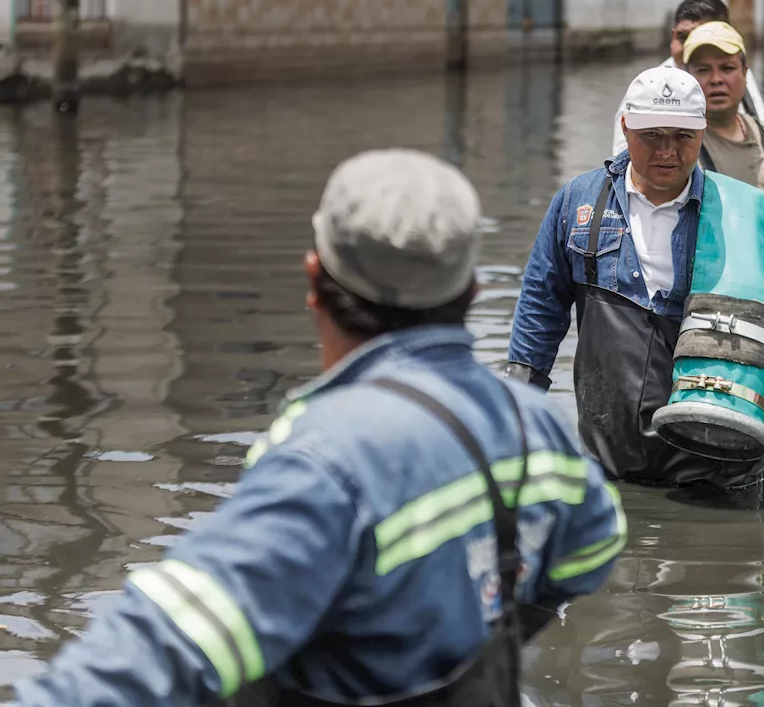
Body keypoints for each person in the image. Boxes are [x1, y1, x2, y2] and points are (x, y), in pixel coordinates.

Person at [15, 150, 626, 707]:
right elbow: (597, 541)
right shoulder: (532, 425)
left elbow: (164, 647)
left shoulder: (324, 460)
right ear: (471, 291)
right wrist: (490, 613)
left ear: (314, 282)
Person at [504, 67, 764, 490]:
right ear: (625, 127)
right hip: (610, 459)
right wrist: (517, 409)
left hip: (718, 460)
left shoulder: (740, 214)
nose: (667, 151)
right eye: (651, 135)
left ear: (702, 134)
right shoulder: (579, 203)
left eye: (683, 136)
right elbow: (540, 305)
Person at [611, 0, 764, 156]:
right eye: (683, 37)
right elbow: (622, 158)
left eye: (726, 68)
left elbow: (763, 136)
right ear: (673, 36)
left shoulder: (738, 76)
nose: (717, 79)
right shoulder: (648, 87)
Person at [682, 20, 764, 200]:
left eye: (727, 68)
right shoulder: (678, 143)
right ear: (687, 77)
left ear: (745, 74)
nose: (716, 79)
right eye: (703, 70)